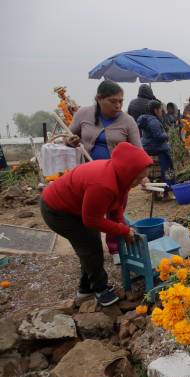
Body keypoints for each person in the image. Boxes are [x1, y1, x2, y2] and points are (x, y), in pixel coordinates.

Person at [41, 142, 153, 306]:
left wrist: (123, 228)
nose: (138, 182)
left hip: (75, 209)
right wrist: (123, 230)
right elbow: (91, 220)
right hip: (57, 211)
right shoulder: (103, 184)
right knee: (90, 246)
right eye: (137, 177)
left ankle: (85, 290)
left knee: (88, 245)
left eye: (141, 177)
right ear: (128, 172)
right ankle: (100, 290)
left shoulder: (120, 177)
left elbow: (117, 209)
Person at [66, 80, 144, 263]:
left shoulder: (127, 121)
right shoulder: (83, 114)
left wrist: (143, 175)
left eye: (121, 101)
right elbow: (68, 136)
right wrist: (71, 141)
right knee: (90, 213)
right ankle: (91, 251)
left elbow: (139, 151)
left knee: (116, 211)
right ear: (99, 99)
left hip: (117, 179)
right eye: (113, 101)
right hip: (88, 176)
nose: (118, 105)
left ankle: (115, 248)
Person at [137, 100, 176, 188]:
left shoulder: (145, 119)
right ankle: (169, 186)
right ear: (155, 110)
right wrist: (167, 135)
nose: (162, 112)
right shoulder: (153, 121)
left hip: (147, 148)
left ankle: (158, 190)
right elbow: (158, 136)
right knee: (168, 167)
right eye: (160, 110)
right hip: (157, 148)